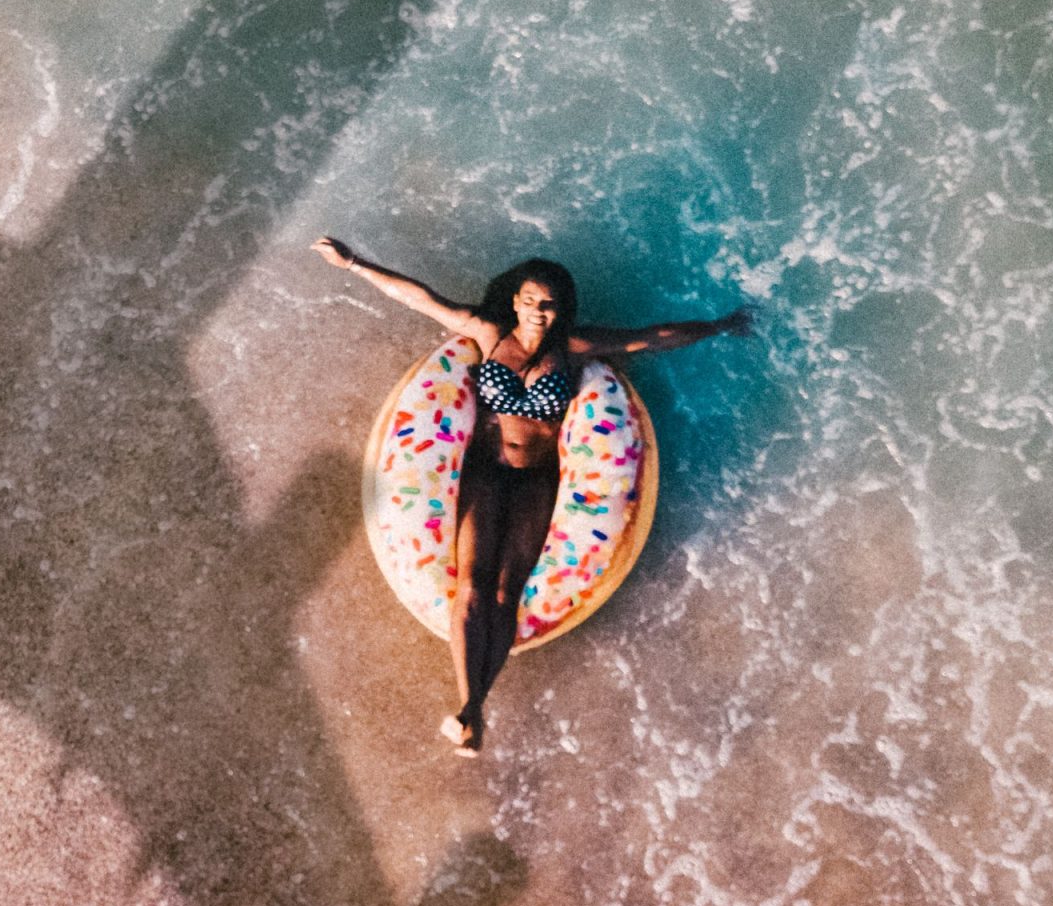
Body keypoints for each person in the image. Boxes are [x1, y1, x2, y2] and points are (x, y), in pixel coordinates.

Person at [313, 237, 753, 755]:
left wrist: (721, 326)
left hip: (537, 481)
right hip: (485, 473)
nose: (538, 312)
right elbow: (422, 299)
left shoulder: (573, 348)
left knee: (505, 593)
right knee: (471, 589)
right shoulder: (489, 334)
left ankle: (473, 712)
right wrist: (354, 263)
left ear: (560, 307)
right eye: (529, 301)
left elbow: (650, 338)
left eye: (548, 304)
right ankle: (470, 707)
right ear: (515, 301)